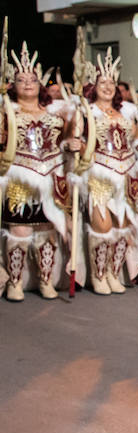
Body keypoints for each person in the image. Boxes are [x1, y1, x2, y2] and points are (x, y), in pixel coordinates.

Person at [1, 43, 79, 301]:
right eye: (21, 79)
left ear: (40, 85)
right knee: (20, 232)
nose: (27, 83)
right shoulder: (5, 112)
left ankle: (46, 281)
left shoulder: (56, 114)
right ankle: (15, 283)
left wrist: (71, 144)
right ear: (12, 85)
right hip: (19, 177)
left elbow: (65, 141)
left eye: (32, 79)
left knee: (48, 231)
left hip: (52, 178)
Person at [73, 49, 138, 295]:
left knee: (123, 227)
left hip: (126, 173)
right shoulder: (85, 110)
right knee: (102, 227)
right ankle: (98, 275)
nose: (108, 86)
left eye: (112, 82)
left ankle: (115, 273)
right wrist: (74, 144)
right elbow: (75, 140)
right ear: (93, 85)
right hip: (99, 173)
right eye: (102, 82)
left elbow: (135, 139)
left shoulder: (127, 110)